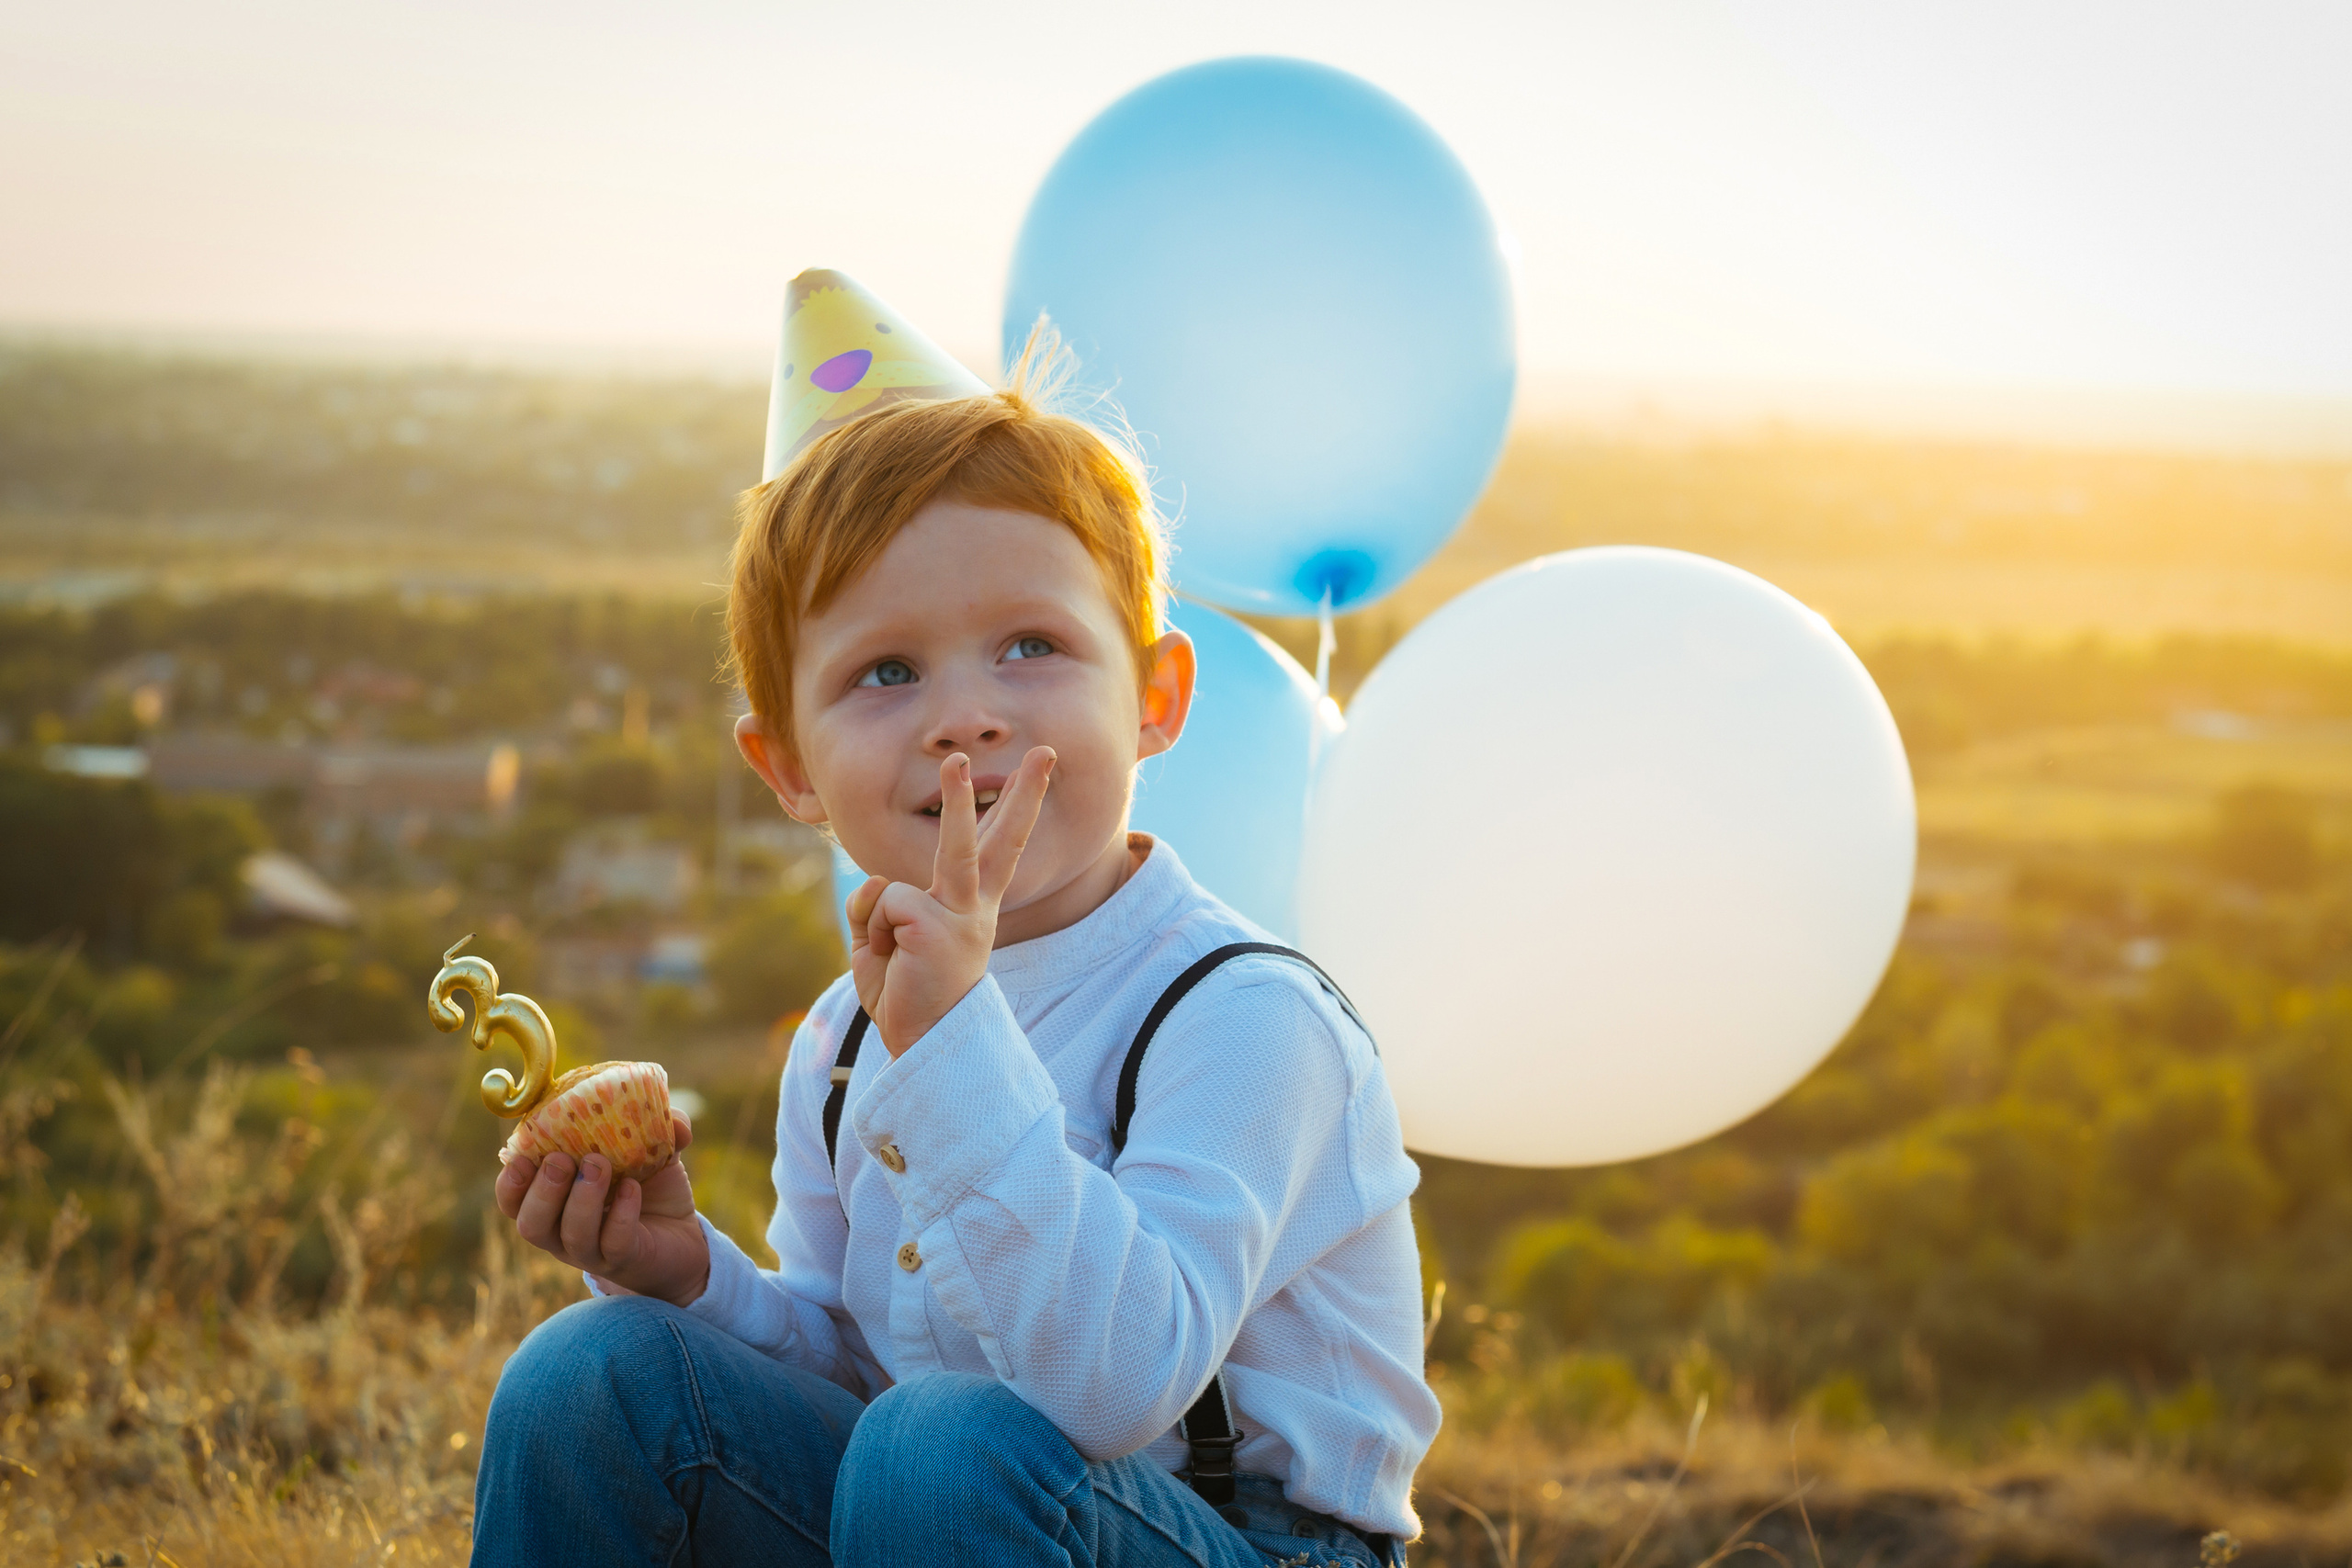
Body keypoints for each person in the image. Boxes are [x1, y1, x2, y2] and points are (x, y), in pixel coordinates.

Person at [470, 312, 1439, 1567]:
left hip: (1247, 1539)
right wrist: (689, 1279)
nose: (966, 719)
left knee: (941, 1449)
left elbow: (1118, 1389)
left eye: (1032, 647)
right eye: (885, 672)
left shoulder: (1247, 1018)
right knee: (592, 1373)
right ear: (789, 768)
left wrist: (951, 1042)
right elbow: (860, 1365)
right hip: (941, 1512)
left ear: (1154, 698)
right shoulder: (843, 1036)